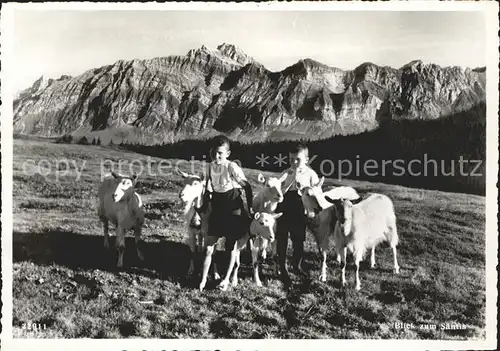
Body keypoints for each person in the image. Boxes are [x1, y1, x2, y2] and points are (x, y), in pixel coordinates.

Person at [276, 143, 320, 279]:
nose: (294, 162)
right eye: (291, 159)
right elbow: (277, 188)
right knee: (282, 236)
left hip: (300, 206)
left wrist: (307, 189)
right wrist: (283, 188)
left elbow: (317, 191)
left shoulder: (311, 174)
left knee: (298, 238)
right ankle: (282, 266)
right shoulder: (285, 173)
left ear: (306, 160)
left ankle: (297, 265)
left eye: (298, 159)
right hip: (284, 205)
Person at [204, 135, 253, 250]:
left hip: (232, 204)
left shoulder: (231, 167)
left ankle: (231, 265)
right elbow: (207, 186)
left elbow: (247, 187)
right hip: (218, 204)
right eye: (213, 152)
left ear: (228, 154)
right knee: (211, 241)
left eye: (220, 153)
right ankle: (211, 266)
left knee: (230, 243)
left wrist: (250, 207)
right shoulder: (209, 167)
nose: (216, 156)